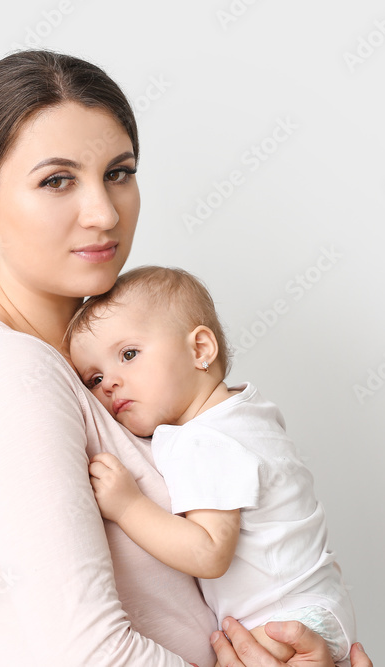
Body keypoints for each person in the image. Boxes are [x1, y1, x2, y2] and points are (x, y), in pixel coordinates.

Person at [0, 48, 375, 667]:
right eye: (57, 180)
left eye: (119, 171)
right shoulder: (8, 376)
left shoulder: (106, 373)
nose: (104, 213)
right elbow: (87, 654)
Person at [65, 266, 356, 666]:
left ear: (200, 349)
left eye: (129, 355)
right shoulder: (248, 411)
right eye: (94, 378)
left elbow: (209, 552)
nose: (110, 383)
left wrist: (128, 505)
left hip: (282, 620)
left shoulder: (201, 440)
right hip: (316, 606)